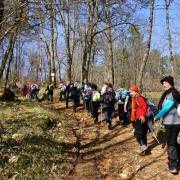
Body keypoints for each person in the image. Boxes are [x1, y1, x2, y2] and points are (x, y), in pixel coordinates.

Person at [154, 76, 180, 174]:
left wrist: (157, 116)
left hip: (173, 123)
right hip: (171, 122)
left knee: (171, 144)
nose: (164, 85)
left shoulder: (172, 93)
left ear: (171, 83)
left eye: (165, 83)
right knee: (173, 142)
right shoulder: (168, 93)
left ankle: (172, 166)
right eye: (163, 83)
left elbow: (166, 108)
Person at [129, 85, 148, 155]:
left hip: (140, 118)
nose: (130, 93)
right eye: (130, 92)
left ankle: (143, 146)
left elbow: (144, 106)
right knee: (142, 134)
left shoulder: (138, 98)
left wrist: (142, 115)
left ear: (135, 91)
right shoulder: (134, 98)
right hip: (136, 118)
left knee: (137, 133)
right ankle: (144, 149)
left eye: (132, 92)